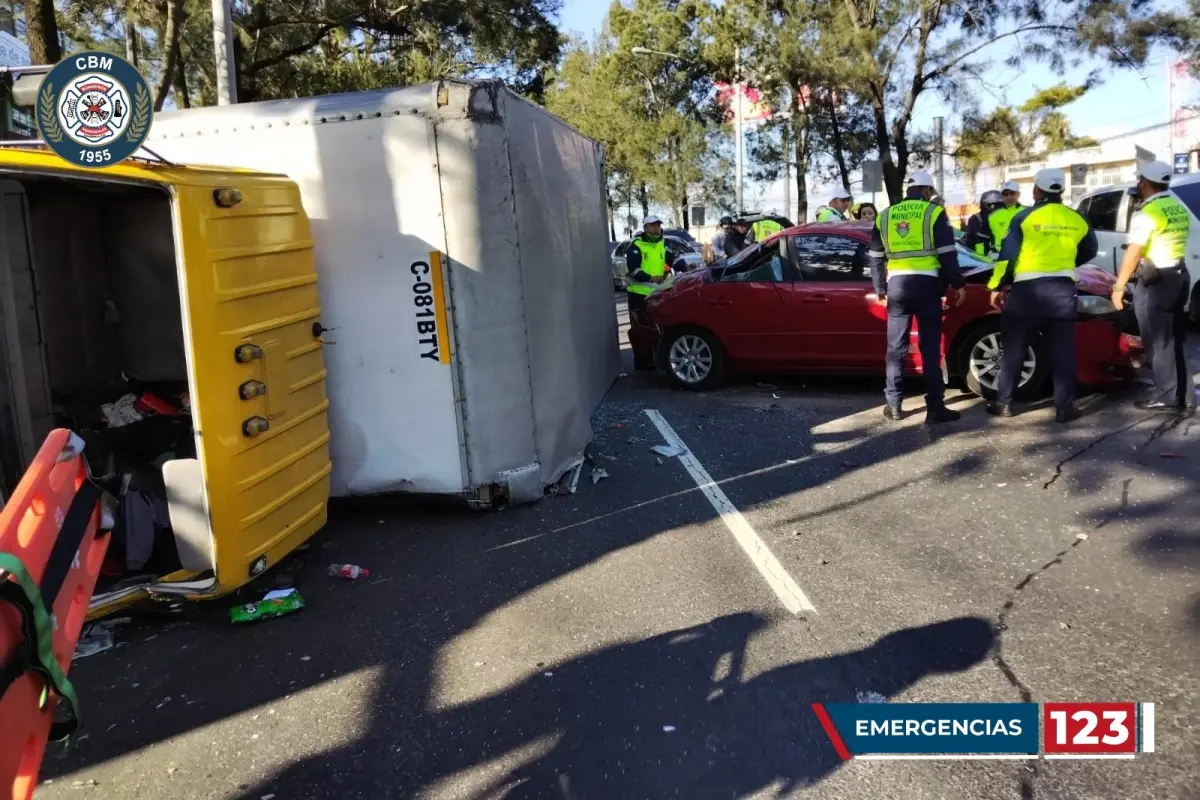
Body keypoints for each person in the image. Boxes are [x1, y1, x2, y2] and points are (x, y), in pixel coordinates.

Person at [986, 168, 1096, 423]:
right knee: (1063, 350)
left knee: (1014, 348)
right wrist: (1066, 262)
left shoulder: (1024, 217)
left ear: (1037, 190)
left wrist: (995, 286)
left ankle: (1004, 403)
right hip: (1062, 290)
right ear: (1061, 191)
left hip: (1026, 292)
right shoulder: (1076, 219)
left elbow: (1008, 257)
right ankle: (1065, 408)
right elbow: (1090, 249)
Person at [869, 169, 966, 424]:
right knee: (930, 348)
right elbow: (947, 253)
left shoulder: (885, 215)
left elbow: (876, 257)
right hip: (927, 286)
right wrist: (957, 283)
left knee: (895, 348)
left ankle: (893, 406)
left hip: (897, 287)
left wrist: (880, 289)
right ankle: (935, 408)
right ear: (926, 190)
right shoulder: (934, 212)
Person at [1111, 161, 1195, 412]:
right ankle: (1185, 396)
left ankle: (1167, 395)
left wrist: (1118, 287)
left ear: (1145, 182)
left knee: (1158, 341)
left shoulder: (1146, 213)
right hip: (1179, 275)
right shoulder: (1176, 205)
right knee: (1176, 339)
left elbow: (1134, 252)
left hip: (1157, 280)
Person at [625, 215, 683, 320]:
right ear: (645, 227)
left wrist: (688, 268)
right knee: (641, 330)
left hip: (657, 293)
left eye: (658, 225)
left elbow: (674, 260)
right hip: (639, 294)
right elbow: (633, 270)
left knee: (659, 327)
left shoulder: (662, 244)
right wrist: (650, 278)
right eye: (652, 225)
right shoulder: (636, 246)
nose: (656, 227)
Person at [962, 190, 1005, 259]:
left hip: (1003, 260)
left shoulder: (1006, 218)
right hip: (979, 262)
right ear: (984, 205)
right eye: (991, 205)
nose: (995, 209)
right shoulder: (975, 220)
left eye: (999, 206)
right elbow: (969, 244)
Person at [989, 180, 1025, 247]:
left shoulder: (1027, 213)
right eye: (1005, 194)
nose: (1009, 197)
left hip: (1020, 255)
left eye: (1012, 193)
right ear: (1002, 196)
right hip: (999, 255)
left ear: (1018, 194)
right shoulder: (993, 216)